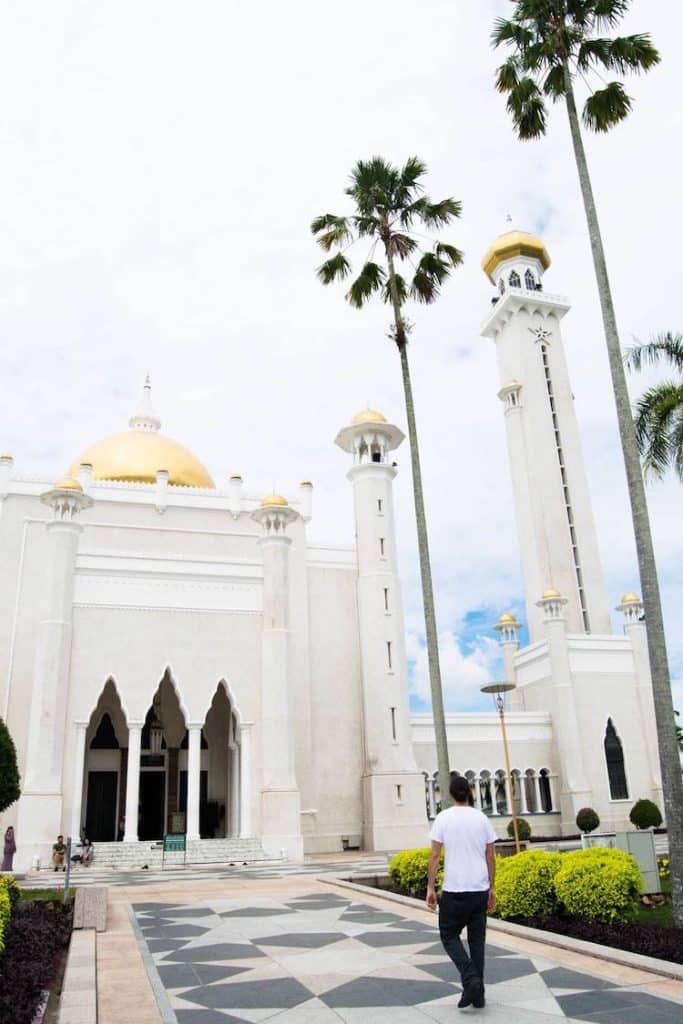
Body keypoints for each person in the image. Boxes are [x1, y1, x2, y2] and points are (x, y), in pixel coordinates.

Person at [426, 774, 497, 1010]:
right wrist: (492, 887)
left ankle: (471, 980)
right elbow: (490, 855)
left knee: (448, 935)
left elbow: (435, 855)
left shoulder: (443, 819)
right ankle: (478, 994)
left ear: (450, 794)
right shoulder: (482, 819)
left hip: (454, 889)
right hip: (478, 889)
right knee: (477, 942)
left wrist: (430, 887)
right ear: (469, 792)